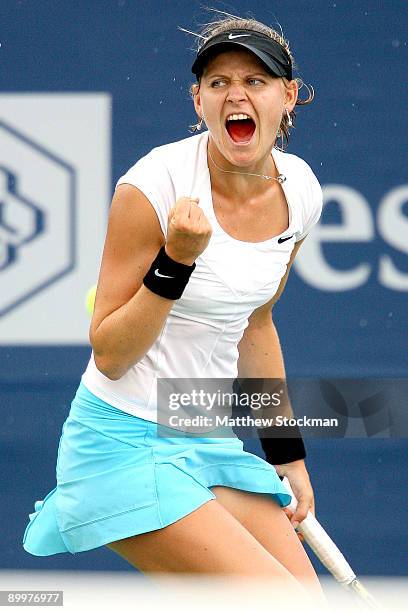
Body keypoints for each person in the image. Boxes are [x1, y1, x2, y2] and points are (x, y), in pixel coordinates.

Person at [23, 13, 324, 602]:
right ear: (199, 101)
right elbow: (110, 354)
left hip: (205, 437)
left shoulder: (302, 191)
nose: (236, 94)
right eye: (218, 83)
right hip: (122, 445)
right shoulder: (152, 187)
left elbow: (256, 322)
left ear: (288, 97)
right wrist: (175, 263)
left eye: (256, 81)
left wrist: (286, 452)